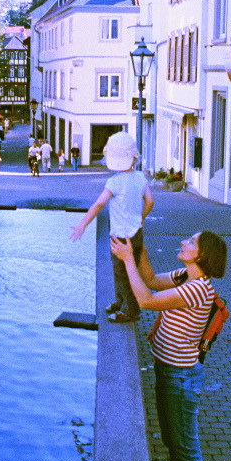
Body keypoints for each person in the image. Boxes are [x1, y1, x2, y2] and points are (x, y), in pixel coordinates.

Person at [110, 230, 227, 461]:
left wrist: (126, 260)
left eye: (191, 242)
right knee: (174, 443)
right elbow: (149, 280)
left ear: (201, 255)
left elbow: (146, 300)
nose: (184, 243)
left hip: (181, 377)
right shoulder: (182, 276)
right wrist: (138, 244)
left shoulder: (197, 289)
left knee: (186, 447)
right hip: (169, 371)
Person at [70, 131, 153, 323]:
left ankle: (130, 310)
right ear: (133, 157)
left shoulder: (114, 182)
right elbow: (150, 201)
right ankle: (120, 301)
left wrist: (82, 224)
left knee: (121, 273)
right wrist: (140, 218)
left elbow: (98, 204)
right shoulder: (140, 178)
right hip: (137, 233)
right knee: (129, 271)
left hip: (120, 237)